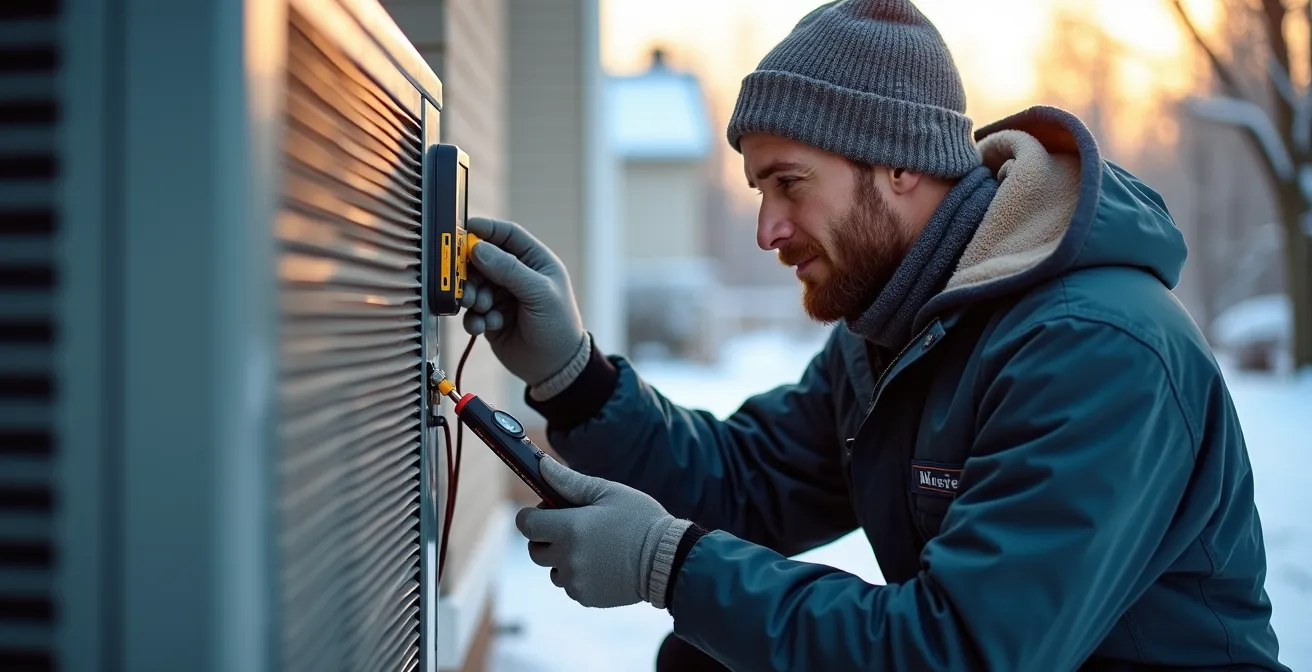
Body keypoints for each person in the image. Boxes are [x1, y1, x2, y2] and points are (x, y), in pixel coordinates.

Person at [458, 1, 1289, 669]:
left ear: (900, 165)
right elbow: (748, 482)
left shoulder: (1096, 350)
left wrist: (666, 564)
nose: (767, 229)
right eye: (757, 189)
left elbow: (961, 651)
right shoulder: (896, 329)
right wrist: (575, 375)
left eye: (789, 184)